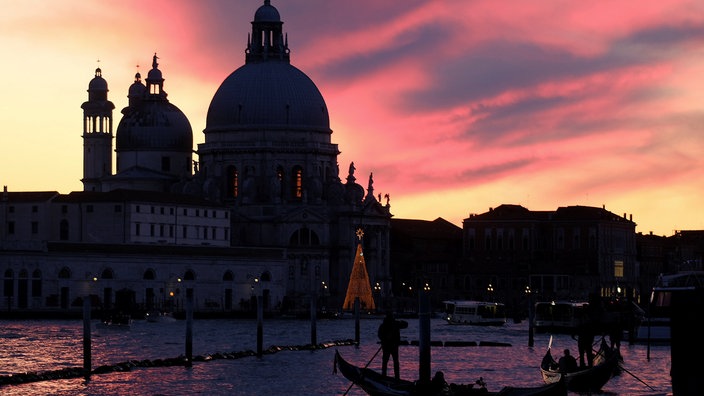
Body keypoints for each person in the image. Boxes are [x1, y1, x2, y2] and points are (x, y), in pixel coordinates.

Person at [377, 312, 408, 379]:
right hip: (389, 346)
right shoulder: (386, 325)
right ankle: (392, 376)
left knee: (389, 362)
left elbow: (405, 325)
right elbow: (380, 335)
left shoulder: (393, 324)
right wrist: (385, 338)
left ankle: (387, 376)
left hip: (391, 346)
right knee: (390, 362)